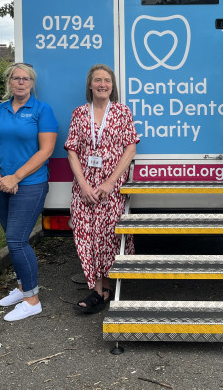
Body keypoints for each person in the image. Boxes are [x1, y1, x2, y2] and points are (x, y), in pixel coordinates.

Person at [0, 63, 58, 321]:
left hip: (30, 184)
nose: (21, 82)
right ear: (9, 82)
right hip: (0, 184)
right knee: (13, 240)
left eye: (26, 79)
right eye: (16, 78)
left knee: (16, 240)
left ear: (32, 83)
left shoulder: (42, 111)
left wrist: (16, 177)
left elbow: (45, 151)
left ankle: (32, 300)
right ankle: (24, 287)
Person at [65, 64, 139, 313]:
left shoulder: (121, 112)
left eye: (107, 80)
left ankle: (108, 286)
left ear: (112, 85)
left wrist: (109, 183)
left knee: (109, 236)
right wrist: (84, 185)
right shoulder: (79, 113)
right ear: (90, 84)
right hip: (84, 188)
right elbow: (72, 150)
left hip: (112, 188)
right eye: (98, 80)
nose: (102, 84)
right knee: (85, 236)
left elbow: (130, 149)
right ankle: (97, 288)